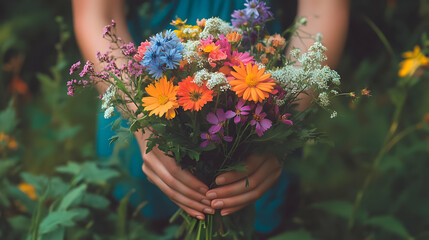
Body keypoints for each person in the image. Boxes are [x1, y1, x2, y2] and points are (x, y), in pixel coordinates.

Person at [72, 0, 349, 235]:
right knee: (141, 223)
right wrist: (143, 123)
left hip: (260, 105)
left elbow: (322, 9)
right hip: (148, 91)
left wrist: (280, 123)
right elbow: (96, 13)